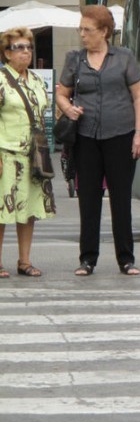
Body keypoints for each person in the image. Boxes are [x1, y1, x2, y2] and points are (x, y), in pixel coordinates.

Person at [56, 5, 140, 277]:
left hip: (121, 135)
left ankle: (126, 259)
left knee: (121, 200)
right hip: (85, 138)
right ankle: (87, 259)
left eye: (88, 30)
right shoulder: (75, 58)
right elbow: (62, 94)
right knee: (88, 200)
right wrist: (67, 108)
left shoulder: (124, 57)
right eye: (81, 29)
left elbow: (139, 96)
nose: (83, 35)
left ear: (104, 32)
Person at [0, 27, 55, 278]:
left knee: (29, 209)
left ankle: (24, 260)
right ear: (6, 53)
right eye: (19, 48)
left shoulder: (34, 80)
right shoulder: (1, 79)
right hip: (6, 152)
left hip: (33, 153)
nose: (25, 52)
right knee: (2, 210)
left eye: (29, 47)